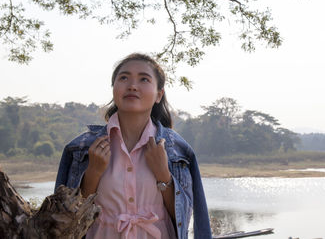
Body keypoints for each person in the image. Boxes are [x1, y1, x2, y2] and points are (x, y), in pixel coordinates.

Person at [55, 53, 212, 239]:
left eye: (144, 79)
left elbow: (183, 216)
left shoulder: (177, 150)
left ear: (158, 95)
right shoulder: (81, 148)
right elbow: (65, 216)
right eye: (124, 78)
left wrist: (163, 175)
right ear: (114, 89)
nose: (132, 86)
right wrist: (93, 173)